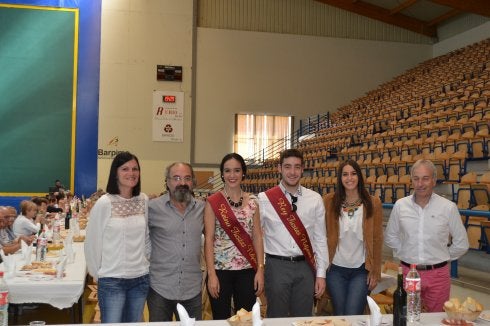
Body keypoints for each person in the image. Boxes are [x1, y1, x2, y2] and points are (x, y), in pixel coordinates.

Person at [385, 159, 469, 312]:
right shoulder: (400, 206)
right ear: (411, 181)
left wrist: (442, 257)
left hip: (438, 276)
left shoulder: (448, 207)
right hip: (409, 273)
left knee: (435, 319)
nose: (420, 183)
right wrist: (405, 252)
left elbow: (462, 243)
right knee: (409, 317)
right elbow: (390, 236)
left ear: (434, 180)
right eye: (416, 178)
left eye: (425, 178)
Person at [258, 148, 328, 317]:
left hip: (305, 267)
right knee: (276, 318)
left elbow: (320, 239)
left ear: (303, 169)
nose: (292, 172)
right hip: (276, 267)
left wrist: (321, 274)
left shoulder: (315, 199)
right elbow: (256, 238)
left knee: (304, 319)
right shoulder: (264, 199)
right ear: (279, 168)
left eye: (297, 167)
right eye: (288, 166)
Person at [85, 151, 150, 323]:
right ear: (116, 173)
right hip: (112, 279)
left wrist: (147, 262)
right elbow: (92, 242)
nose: (131, 173)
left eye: (135, 169)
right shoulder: (105, 203)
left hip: (140, 278)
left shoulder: (143, 200)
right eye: (125, 169)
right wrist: (97, 274)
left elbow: (147, 237)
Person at [204, 153, 265, 319]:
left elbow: (257, 237)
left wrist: (260, 270)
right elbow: (208, 239)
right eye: (228, 171)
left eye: (237, 170)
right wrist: (211, 274)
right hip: (220, 271)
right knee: (221, 318)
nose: (232, 175)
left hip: (247, 270)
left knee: (245, 319)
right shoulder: (213, 202)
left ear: (243, 173)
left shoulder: (253, 201)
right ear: (222, 174)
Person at [323, 159, 383, 315]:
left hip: (361, 270)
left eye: (353, 174)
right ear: (340, 178)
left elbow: (377, 239)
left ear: (359, 177)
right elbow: (321, 235)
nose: (349, 178)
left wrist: (375, 271)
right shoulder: (329, 201)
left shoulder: (373, 202)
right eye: (345, 174)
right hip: (335, 269)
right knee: (340, 314)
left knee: (353, 314)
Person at [147, 162, 205, 322]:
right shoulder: (152, 208)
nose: (182, 183)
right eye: (176, 178)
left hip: (192, 290)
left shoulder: (203, 209)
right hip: (160, 288)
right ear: (167, 181)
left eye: (187, 178)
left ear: (193, 182)